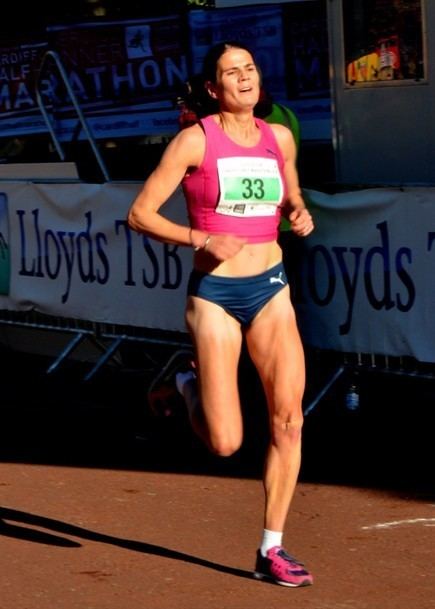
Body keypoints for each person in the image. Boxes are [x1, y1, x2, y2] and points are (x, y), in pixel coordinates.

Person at [127, 40, 314, 588]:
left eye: (250, 68)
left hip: (272, 288)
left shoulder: (277, 138)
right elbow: (139, 214)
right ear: (214, 89)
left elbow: (291, 197)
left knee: (288, 421)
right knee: (225, 441)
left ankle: (271, 549)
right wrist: (199, 237)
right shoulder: (194, 141)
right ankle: (185, 381)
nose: (245, 77)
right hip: (215, 296)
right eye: (232, 72)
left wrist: (299, 213)